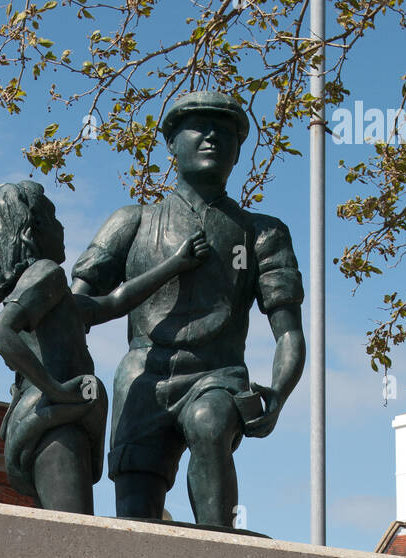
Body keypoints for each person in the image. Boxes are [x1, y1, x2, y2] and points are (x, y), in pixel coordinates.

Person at [71, 91, 306, 527]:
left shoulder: (262, 233)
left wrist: (278, 391)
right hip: (142, 376)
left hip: (216, 375)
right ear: (171, 143)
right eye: (198, 127)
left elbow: (289, 332)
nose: (212, 137)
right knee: (136, 516)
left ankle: (220, 553)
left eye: (226, 131)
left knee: (209, 423)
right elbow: (74, 308)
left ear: (238, 151)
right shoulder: (132, 222)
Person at [0, 180, 209, 513]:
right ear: (34, 229)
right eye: (54, 217)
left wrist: (175, 263)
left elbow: (116, 301)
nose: (63, 226)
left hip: (53, 421)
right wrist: (55, 390)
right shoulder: (47, 274)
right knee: (76, 541)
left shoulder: (56, 297)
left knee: (61, 539)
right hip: (57, 425)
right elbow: (1, 332)